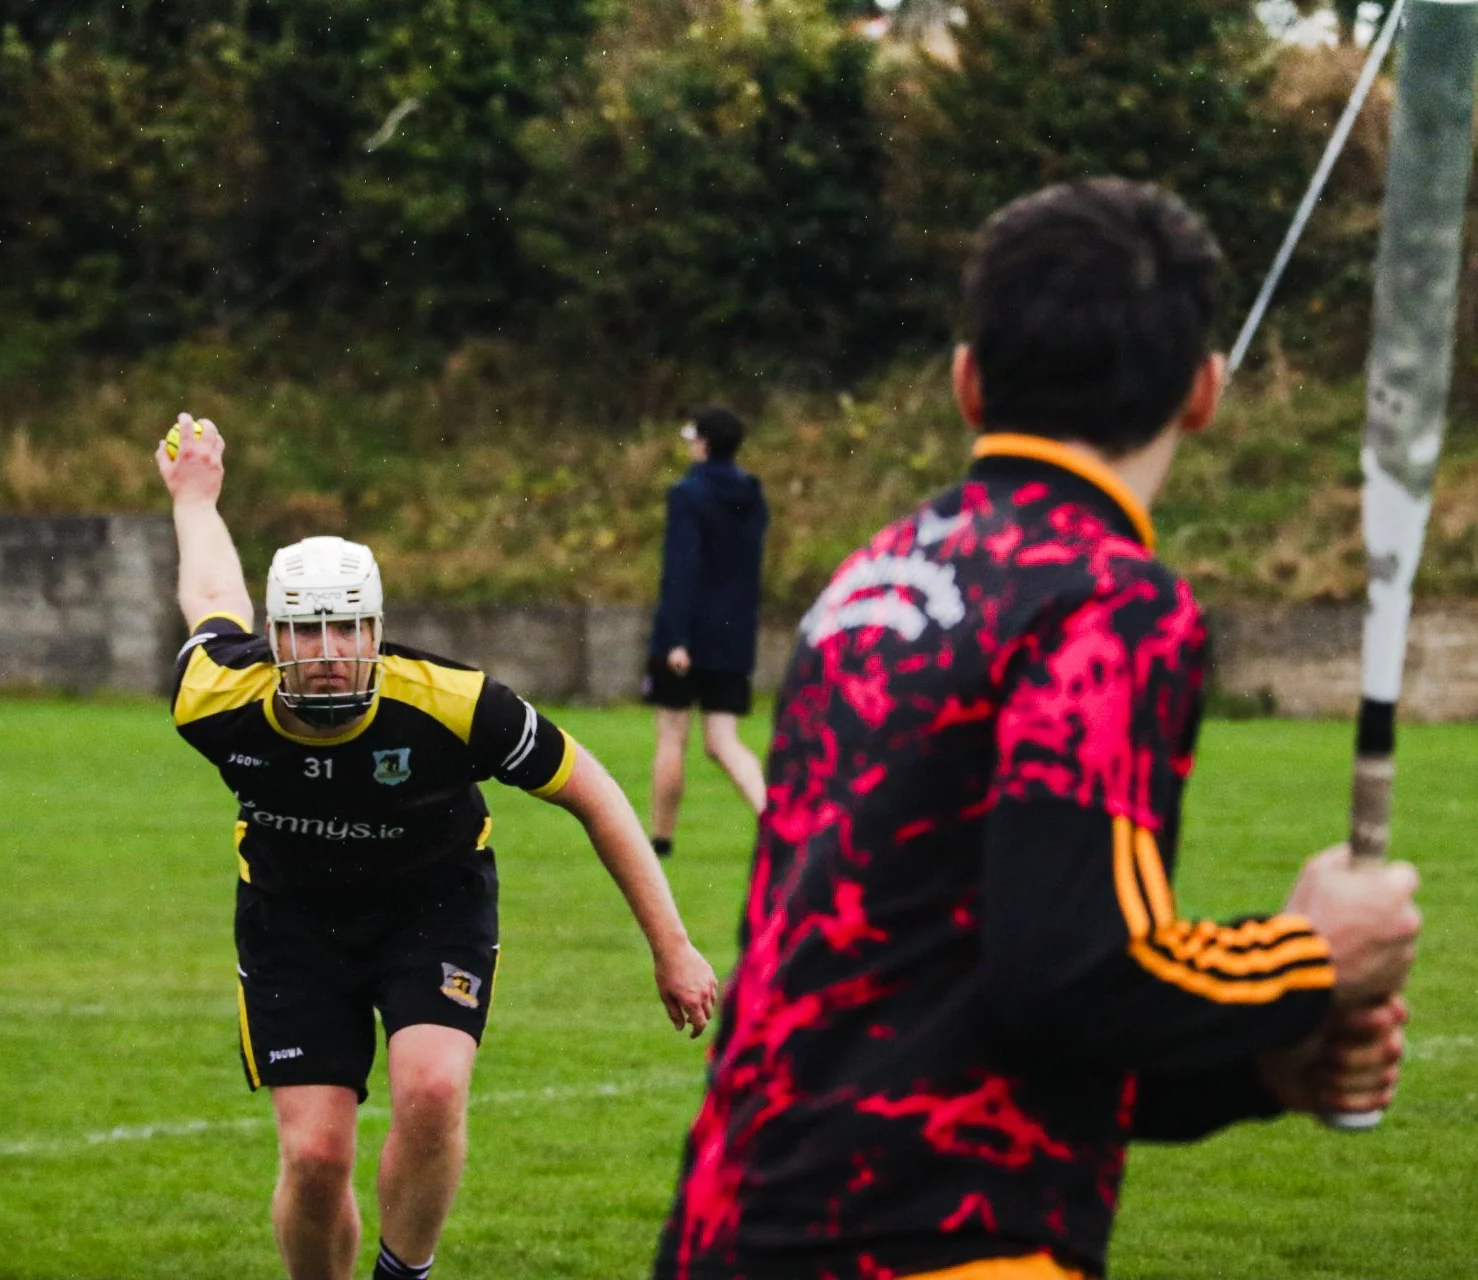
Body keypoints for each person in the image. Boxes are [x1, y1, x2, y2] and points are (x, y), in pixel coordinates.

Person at [652, 178, 1420, 1280]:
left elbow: (952, 1007)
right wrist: (1307, 954)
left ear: (966, 381)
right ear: (1202, 393)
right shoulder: (1107, 600)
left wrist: (1260, 1071)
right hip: (934, 1243)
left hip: (724, 1233)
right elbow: (1071, 975)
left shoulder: (870, 579)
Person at [153, 413, 719, 1280]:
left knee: (433, 1087)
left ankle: (401, 1275)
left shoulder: (454, 704)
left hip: (434, 908)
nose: (331, 652)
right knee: (313, 1160)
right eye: (306, 631)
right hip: (293, 923)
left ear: (378, 631)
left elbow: (596, 795)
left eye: (349, 629)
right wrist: (196, 495)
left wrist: (671, 944)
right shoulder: (214, 701)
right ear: (274, 639)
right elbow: (210, 596)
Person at [644, 406, 771, 858]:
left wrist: (676, 638)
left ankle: (660, 839)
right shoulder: (753, 495)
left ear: (703, 444)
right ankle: (771, 818)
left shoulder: (687, 494)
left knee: (672, 736)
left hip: (688, 633)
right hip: (733, 634)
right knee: (724, 741)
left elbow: (683, 569)